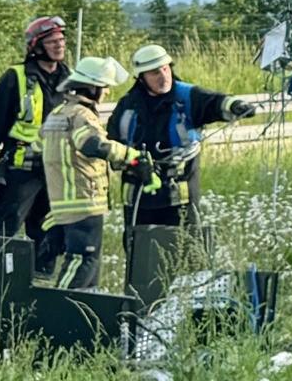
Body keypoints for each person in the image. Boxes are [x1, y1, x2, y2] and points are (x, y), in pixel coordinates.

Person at [108, 43, 260, 243]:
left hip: (180, 199)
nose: (163, 76)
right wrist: (134, 163)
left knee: (185, 253)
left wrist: (236, 106)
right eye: (155, 72)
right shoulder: (128, 107)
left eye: (165, 68)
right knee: (140, 259)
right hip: (138, 199)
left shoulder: (186, 97)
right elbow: (112, 146)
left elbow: (215, 102)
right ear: (141, 78)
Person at [39, 56, 150, 291]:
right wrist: (132, 156)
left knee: (89, 268)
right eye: (105, 86)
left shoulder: (59, 113)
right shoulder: (82, 116)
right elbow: (93, 145)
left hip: (64, 201)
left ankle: (85, 316)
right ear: (92, 87)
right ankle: (59, 310)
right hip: (83, 202)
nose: (108, 92)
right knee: (83, 262)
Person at [0, 16, 70, 241]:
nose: (59, 45)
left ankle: (40, 276)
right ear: (36, 46)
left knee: (48, 232)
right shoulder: (16, 77)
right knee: (4, 229)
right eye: (52, 41)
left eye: (62, 40)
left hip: (56, 169)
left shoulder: (71, 79)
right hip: (21, 170)